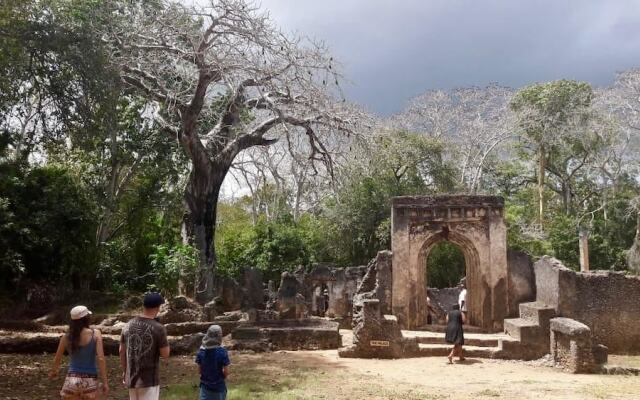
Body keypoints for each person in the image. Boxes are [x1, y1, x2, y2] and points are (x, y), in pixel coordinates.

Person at [49, 305, 109, 399]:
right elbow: (101, 359)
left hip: (71, 380)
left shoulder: (66, 337)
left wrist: (54, 372)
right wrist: (105, 382)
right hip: (90, 380)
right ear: (86, 318)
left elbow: (57, 358)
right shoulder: (96, 333)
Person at [120, 292, 170, 400]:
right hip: (149, 380)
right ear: (158, 307)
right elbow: (165, 354)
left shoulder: (127, 325)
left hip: (131, 378)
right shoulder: (159, 328)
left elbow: (121, 351)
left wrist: (125, 372)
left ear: (144, 306)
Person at [196, 324, 230, 400]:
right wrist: (222, 377)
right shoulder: (222, 352)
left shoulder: (201, 352)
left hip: (205, 387)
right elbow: (226, 372)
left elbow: (199, 370)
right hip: (219, 387)